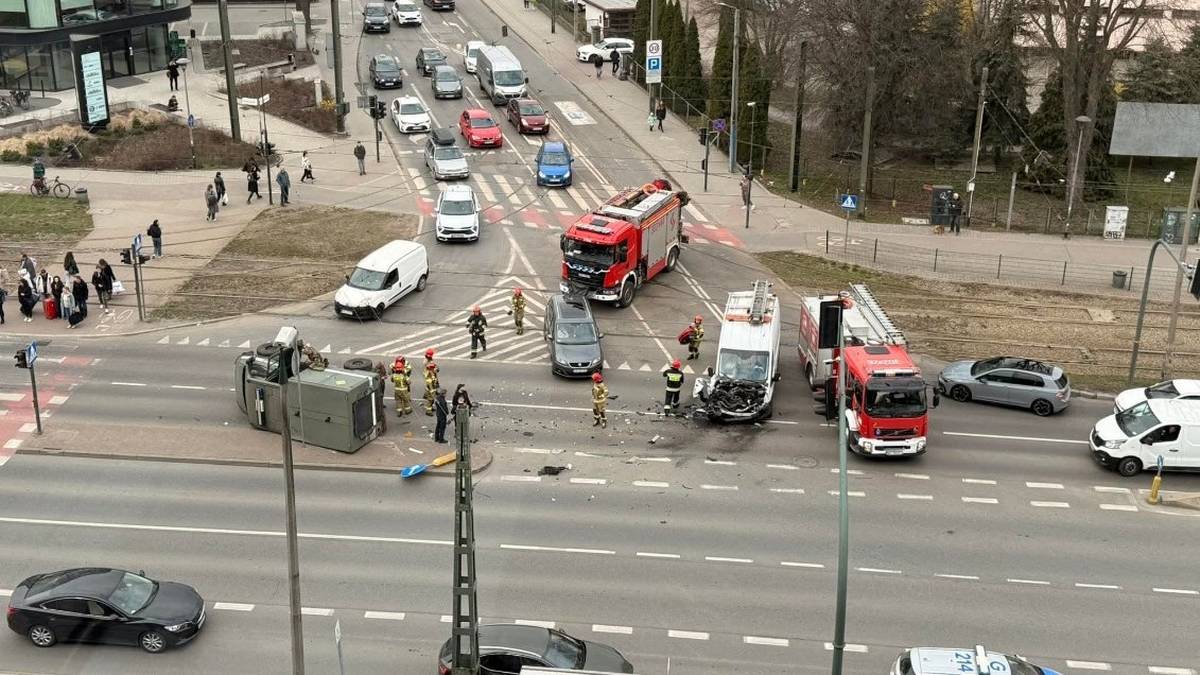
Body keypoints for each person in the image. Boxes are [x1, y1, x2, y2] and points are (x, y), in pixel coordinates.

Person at [423, 349, 440, 416]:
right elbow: (431, 387)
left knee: (431, 399)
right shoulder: (430, 377)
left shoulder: (429, 367)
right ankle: (428, 411)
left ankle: (430, 408)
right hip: (430, 389)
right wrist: (433, 392)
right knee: (430, 400)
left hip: (431, 386)